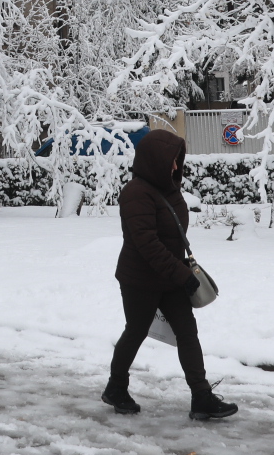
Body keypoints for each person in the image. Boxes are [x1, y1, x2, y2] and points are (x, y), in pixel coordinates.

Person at [102, 129, 238, 421]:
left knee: (188, 333)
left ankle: (201, 397)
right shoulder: (135, 193)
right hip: (139, 279)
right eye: (171, 161)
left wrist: (179, 271)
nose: (176, 167)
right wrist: (182, 274)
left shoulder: (168, 188)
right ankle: (115, 387)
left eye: (178, 160)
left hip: (170, 276)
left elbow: (173, 234)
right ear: (154, 160)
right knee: (136, 331)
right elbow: (147, 243)